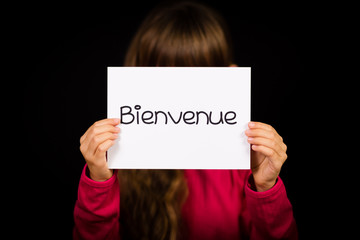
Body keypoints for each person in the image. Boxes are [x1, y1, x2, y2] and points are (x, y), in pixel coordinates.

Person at [73, 1, 298, 239]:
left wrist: (265, 187)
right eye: (167, 78)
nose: (180, 98)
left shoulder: (242, 164)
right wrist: (99, 181)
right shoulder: (116, 159)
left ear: (229, 78)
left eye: (195, 78)